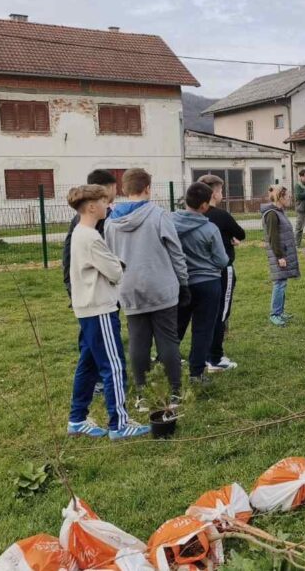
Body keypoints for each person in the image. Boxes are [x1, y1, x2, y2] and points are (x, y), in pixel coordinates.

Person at [65, 185, 149, 441]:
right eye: (104, 202)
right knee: (113, 366)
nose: (108, 206)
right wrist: (116, 265)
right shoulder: (90, 237)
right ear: (91, 206)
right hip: (99, 307)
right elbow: (115, 271)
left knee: (88, 364)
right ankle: (119, 424)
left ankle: (77, 419)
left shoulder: (80, 232)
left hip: (86, 307)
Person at [104, 168, 189, 411]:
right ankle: (174, 393)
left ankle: (142, 395)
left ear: (123, 189)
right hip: (162, 287)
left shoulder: (110, 223)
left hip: (129, 289)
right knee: (168, 341)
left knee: (138, 342)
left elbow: (110, 258)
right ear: (148, 189)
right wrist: (184, 283)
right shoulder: (159, 216)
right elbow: (176, 252)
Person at [172, 183, 230, 384]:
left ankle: (167, 367)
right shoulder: (209, 228)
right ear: (205, 205)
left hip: (180, 283)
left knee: (176, 327)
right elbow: (222, 260)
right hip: (207, 283)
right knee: (203, 329)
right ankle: (196, 373)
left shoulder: (170, 222)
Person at [198, 174, 244, 372]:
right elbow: (241, 233)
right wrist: (230, 237)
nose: (222, 194)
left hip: (198, 272)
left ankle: (201, 354)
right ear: (214, 192)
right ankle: (215, 357)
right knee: (220, 313)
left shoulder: (190, 214)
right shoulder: (220, 215)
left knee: (203, 314)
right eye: (221, 190)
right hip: (221, 270)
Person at [62, 169, 118, 299]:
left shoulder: (78, 219)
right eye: (116, 188)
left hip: (86, 291)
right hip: (101, 291)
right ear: (108, 189)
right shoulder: (110, 217)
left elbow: (67, 254)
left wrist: (69, 284)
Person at [261, 185, 300, 326]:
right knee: (279, 283)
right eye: (287, 196)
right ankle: (275, 314)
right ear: (280, 197)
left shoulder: (279, 211)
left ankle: (280, 311)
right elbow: (273, 238)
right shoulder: (272, 214)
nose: (290, 198)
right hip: (279, 254)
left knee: (282, 282)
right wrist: (280, 257)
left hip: (283, 252)